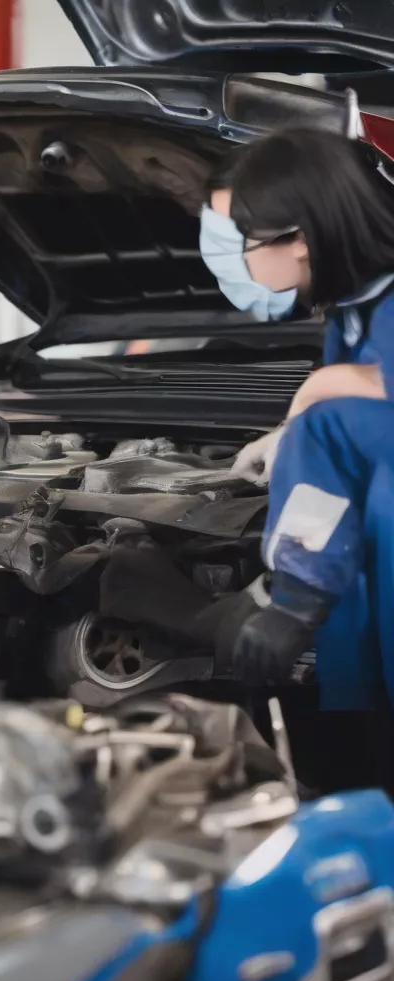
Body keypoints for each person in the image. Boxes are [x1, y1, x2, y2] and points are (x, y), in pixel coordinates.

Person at [200, 127, 394, 705]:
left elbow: (343, 430)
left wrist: (294, 601)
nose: (232, 258)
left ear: (300, 239)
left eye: (241, 238)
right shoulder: (351, 317)